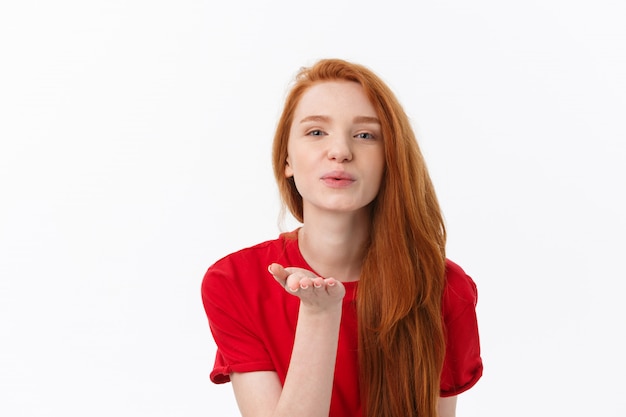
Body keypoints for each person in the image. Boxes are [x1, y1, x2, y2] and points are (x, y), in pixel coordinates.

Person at [201, 58, 483, 417]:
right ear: (286, 159)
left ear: (390, 159)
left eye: (365, 135)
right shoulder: (235, 282)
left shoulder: (445, 289)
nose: (341, 152)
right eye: (316, 132)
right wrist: (320, 313)